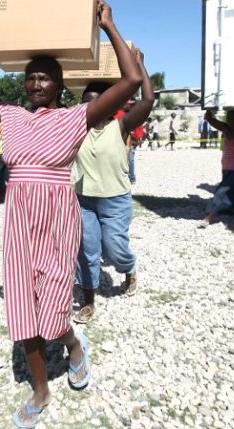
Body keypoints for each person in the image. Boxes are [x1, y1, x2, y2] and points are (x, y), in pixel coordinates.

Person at [0, 0, 141, 428]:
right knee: (22, 309)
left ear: (58, 84)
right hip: (19, 221)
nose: (37, 83)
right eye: (31, 77)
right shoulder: (12, 115)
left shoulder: (79, 116)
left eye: (45, 78)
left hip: (58, 218)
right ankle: (41, 389)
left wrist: (109, 24)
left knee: (55, 309)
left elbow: (131, 80)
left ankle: (73, 345)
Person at [71, 49, 153, 325]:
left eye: (96, 103)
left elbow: (149, 99)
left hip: (115, 200)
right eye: (85, 104)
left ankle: (129, 269)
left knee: (115, 248)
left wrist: (139, 65)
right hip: (83, 199)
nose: (90, 109)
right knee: (87, 248)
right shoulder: (75, 128)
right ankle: (89, 301)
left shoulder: (121, 125)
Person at [199, 109, 234, 228]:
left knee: (221, 191)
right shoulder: (226, 129)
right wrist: (209, 108)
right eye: (228, 118)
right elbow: (210, 119)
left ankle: (208, 218)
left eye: (232, 118)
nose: (229, 120)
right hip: (226, 166)